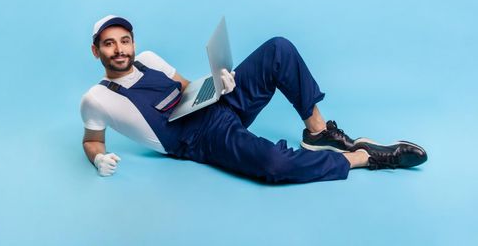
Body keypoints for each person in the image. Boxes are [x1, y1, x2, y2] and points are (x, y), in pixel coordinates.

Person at [80, 15, 427, 183]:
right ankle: (363, 158)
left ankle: (317, 133)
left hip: (217, 107)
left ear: (133, 43)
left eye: (125, 40)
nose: (120, 49)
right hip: (201, 139)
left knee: (278, 48)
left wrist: (218, 84)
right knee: (273, 166)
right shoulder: (95, 98)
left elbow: (186, 89)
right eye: (109, 43)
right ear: (96, 51)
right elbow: (92, 140)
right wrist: (98, 160)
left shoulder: (151, 59)